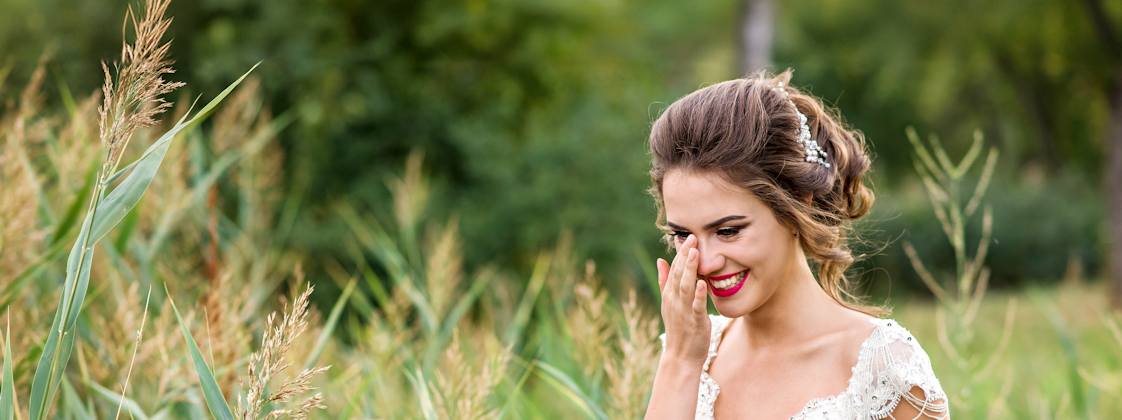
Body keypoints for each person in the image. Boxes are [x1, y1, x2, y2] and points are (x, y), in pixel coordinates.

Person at [644, 71, 948, 420]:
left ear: (797, 203)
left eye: (728, 231)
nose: (707, 262)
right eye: (684, 236)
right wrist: (681, 362)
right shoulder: (692, 350)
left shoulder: (883, 370)